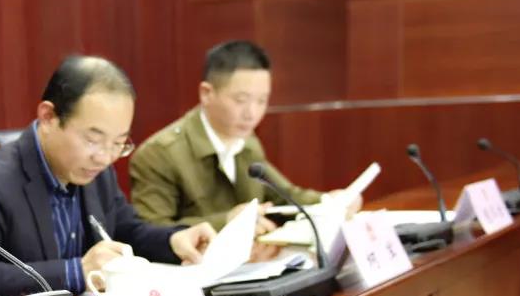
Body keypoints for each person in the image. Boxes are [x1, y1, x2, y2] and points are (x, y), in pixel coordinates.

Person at [0, 55, 215, 296]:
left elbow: (126, 231)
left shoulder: (96, 171)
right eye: (93, 140)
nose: (105, 157)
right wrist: (76, 272)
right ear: (48, 117)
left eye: (118, 143)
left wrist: (173, 240)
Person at [130, 40, 360, 236]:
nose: (252, 113)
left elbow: (283, 196)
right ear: (206, 93)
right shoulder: (159, 154)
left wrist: (329, 201)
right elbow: (150, 232)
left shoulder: (247, 141)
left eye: (261, 101)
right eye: (241, 100)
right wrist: (227, 221)